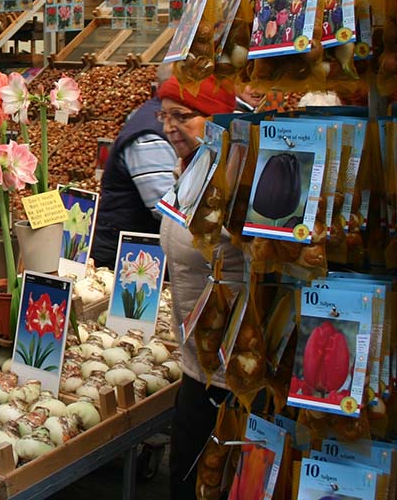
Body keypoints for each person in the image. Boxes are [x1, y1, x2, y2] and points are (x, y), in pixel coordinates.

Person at [153, 76, 240, 500]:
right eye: (164, 115)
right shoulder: (188, 171)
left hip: (232, 374)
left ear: (217, 120)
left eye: (182, 116)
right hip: (194, 365)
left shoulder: (236, 177)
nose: (170, 126)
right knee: (185, 480)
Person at [91, 64, 176, 268]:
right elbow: (165, 209)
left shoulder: (158, 117)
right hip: (122, 256)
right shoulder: (150, 134)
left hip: (139, 252)